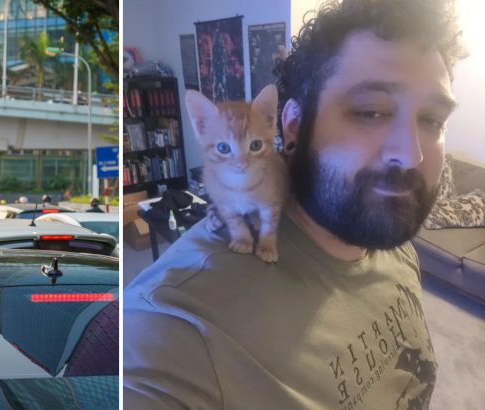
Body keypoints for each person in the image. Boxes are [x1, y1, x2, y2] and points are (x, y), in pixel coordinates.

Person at [123, 0, 466, 408]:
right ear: (293, 126)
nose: (412, 156)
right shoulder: (174, 326)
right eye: (371, 111)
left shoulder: (390, 232)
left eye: (432, 121)